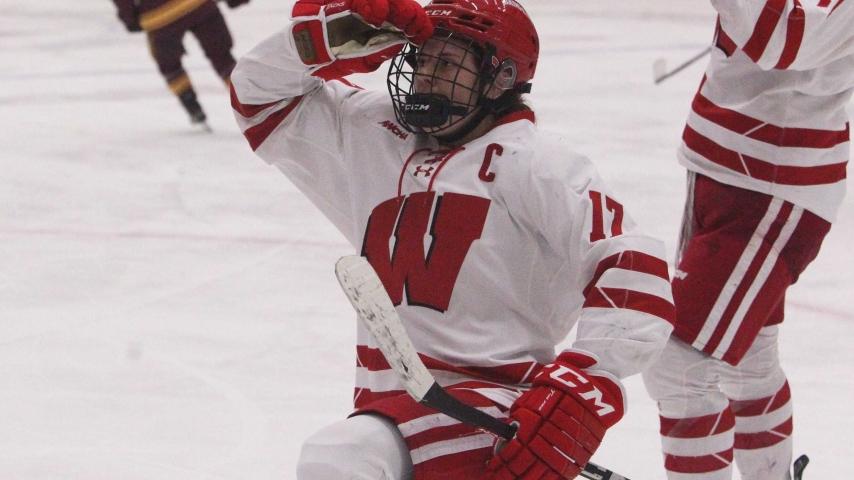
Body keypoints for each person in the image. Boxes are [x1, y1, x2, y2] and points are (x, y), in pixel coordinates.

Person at [230, 0, 675, 478]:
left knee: (339, 458)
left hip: (499, 410)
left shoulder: (539, 165)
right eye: (421, 59)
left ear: (500, 78)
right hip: (390, 412)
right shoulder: (374, 133)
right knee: (342, 456)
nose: (425, 76)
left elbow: (635, 268)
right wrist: (327, 37)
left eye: (446, 64)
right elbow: (258, 97)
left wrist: (583, 385)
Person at [642, 1, 854, 479]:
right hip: (725, 163)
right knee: (748, 360)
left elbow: (784, 39)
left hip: (773, 186)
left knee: (679, 365)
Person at [111, 0, 251, 126]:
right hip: (199, 6)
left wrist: (130, 18)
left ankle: (190, 103)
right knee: (223, 58)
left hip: (159, 15)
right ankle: (249, 103)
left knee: (169, 64)